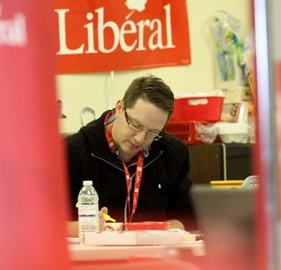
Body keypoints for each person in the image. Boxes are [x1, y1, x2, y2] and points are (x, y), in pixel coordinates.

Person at [66, 75, 196, 237]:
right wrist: (84, 227)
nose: (140, 138)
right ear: (120, 108)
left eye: (153, 132)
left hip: (154, 255)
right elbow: (40, 223)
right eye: (135, 125)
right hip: (93, 256)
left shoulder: (173, 153)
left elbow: (190, 216)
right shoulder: (73, 151)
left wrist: (164, 229)